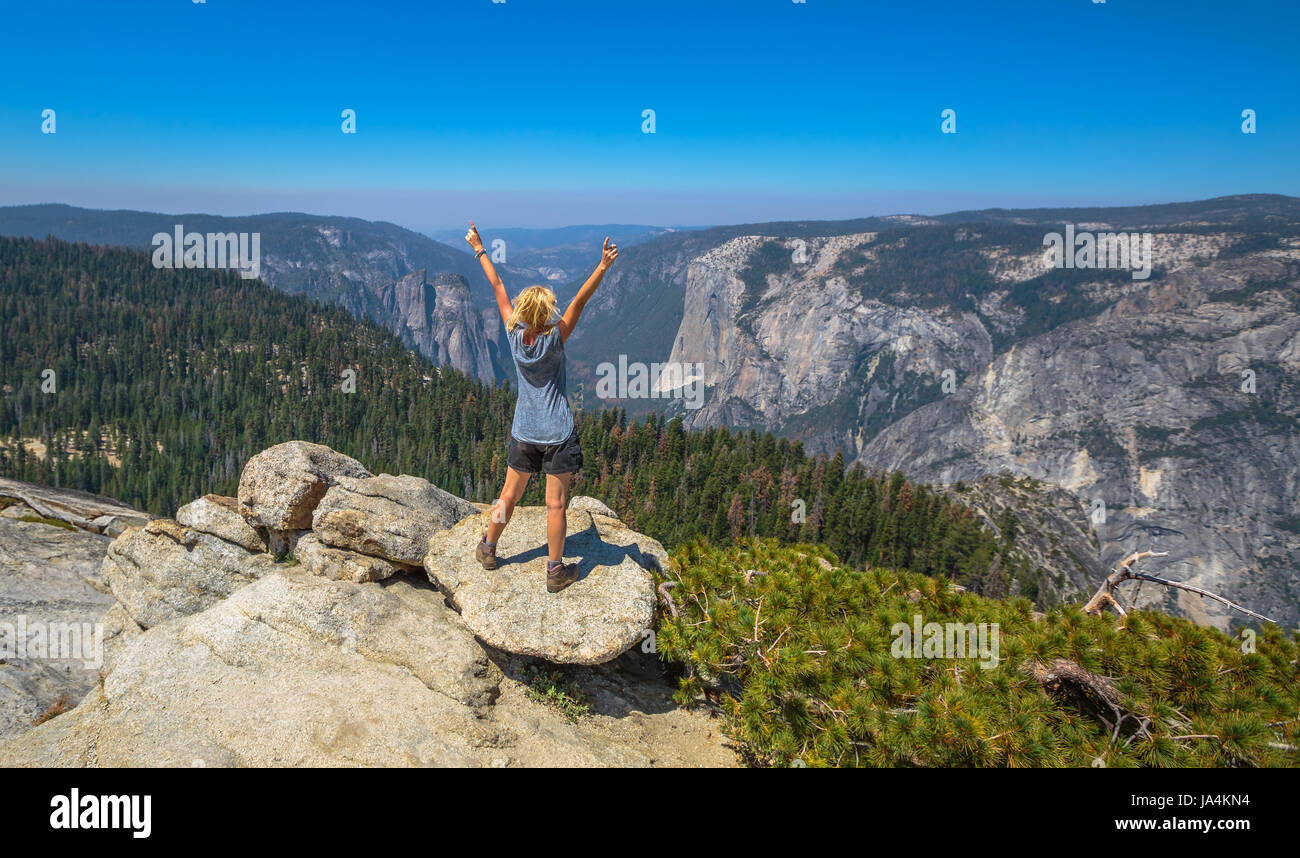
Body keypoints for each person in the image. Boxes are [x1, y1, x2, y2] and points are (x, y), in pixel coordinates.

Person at [466, 221, 618, 592]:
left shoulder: (513, 335)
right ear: (546, 312)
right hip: (558, 434)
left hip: (524, 432)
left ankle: (488, 547)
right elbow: (580, 300)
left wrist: (478, 248)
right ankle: (554, 571)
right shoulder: (556, 339)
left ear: (522, 311)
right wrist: (601, 267)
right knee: (555, 506)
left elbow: (497, 285)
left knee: (508, 496)